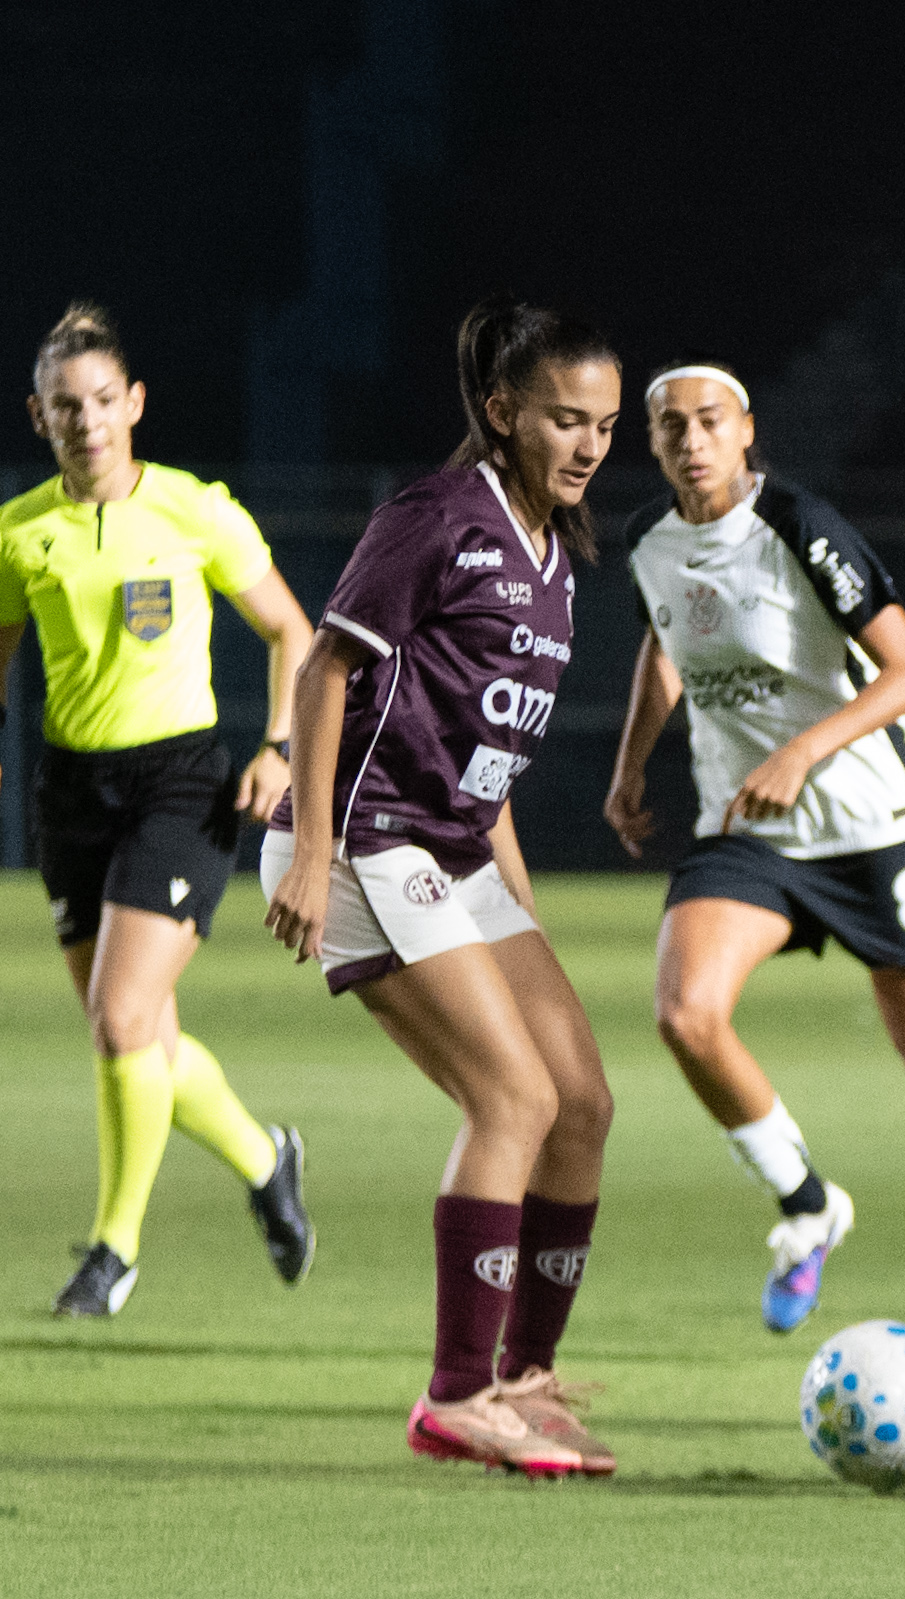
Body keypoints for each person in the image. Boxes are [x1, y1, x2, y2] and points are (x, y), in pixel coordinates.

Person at [604, 356, 905, 1360]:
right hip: (749, 829)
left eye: (709, 421)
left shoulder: (801, 528)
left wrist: (801, 748)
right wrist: (629, 766)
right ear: (650, 446)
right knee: (685, 1014)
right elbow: (664, 645)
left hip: (874, 826)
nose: (691, 441)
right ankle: (806, 1204)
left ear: (746, 431)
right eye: (670, 429)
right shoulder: (648, 543)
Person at [262, 297, 624, 1475]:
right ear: (503, 409)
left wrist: (520, 918)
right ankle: (455, 1397)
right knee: (511, 1099)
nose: (587, 446)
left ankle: (526, 1376)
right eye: (567, 420)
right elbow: (323, 673)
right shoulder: (436, 516)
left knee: (581, 1102)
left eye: (605, 427)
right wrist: (311, 851)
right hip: (364, 838)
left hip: (453, 848)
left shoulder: (560, 555)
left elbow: (489, 762)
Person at [0, 302, 315, 1319]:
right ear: (39, 419)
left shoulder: (193, 511)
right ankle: (266, 1162)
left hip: (182, 783)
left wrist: (277, 748)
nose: (85, 421)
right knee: (142, 1038)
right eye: (64, 408)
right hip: (70, 792)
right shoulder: (19, 533)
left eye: (101, 401)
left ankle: (114, 1251)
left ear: (133, 404)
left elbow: (290, 631)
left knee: (121, 1019)